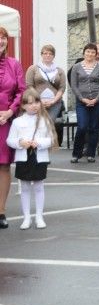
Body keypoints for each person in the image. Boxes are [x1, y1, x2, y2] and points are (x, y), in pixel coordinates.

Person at [6, 89, 56, 230]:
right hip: (23, 157)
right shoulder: (17, 122)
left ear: (40, 103)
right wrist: (20, 142)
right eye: (29, 103)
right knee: (25, 188)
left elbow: (51, 140)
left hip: (39, 157)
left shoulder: (45, 120)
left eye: (36, 102)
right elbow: (10, 140)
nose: (33, 105)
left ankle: (39, 216)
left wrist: (39, 143)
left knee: (39, 187)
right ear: (23, 106)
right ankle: (26, 217)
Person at [0, 26, 26, 229]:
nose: (1, 41)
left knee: (3, 166)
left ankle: (1, 211)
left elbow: (21, 90)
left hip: (5, 122)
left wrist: (10, 111)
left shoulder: (14, 64)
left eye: (3, 38)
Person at [69, 43, 99, 164]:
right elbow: (74, 85)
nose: (90, 54)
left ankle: (91, 154)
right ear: (83, 53)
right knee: (82, 127)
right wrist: (82, 98)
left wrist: (96, 99)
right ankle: (76, 153)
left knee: (94, 127)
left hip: (97, 101)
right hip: (82, 102)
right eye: (88, 52)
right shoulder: (76, 67)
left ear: (96, 54)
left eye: (92, 52)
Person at [25, 44, 66, 147]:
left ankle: (45, 148)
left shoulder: (59, 71)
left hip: (54, 103)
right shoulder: (33, 68)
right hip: (37, 102)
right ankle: (33, 146)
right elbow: (29, 86)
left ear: (53, 56)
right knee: (36, 124)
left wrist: (53, 101)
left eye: (50, 54)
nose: (48, 55)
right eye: (45, 53)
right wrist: (39, 100)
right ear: (42, 55)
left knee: (48, 124)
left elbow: (62, 88)